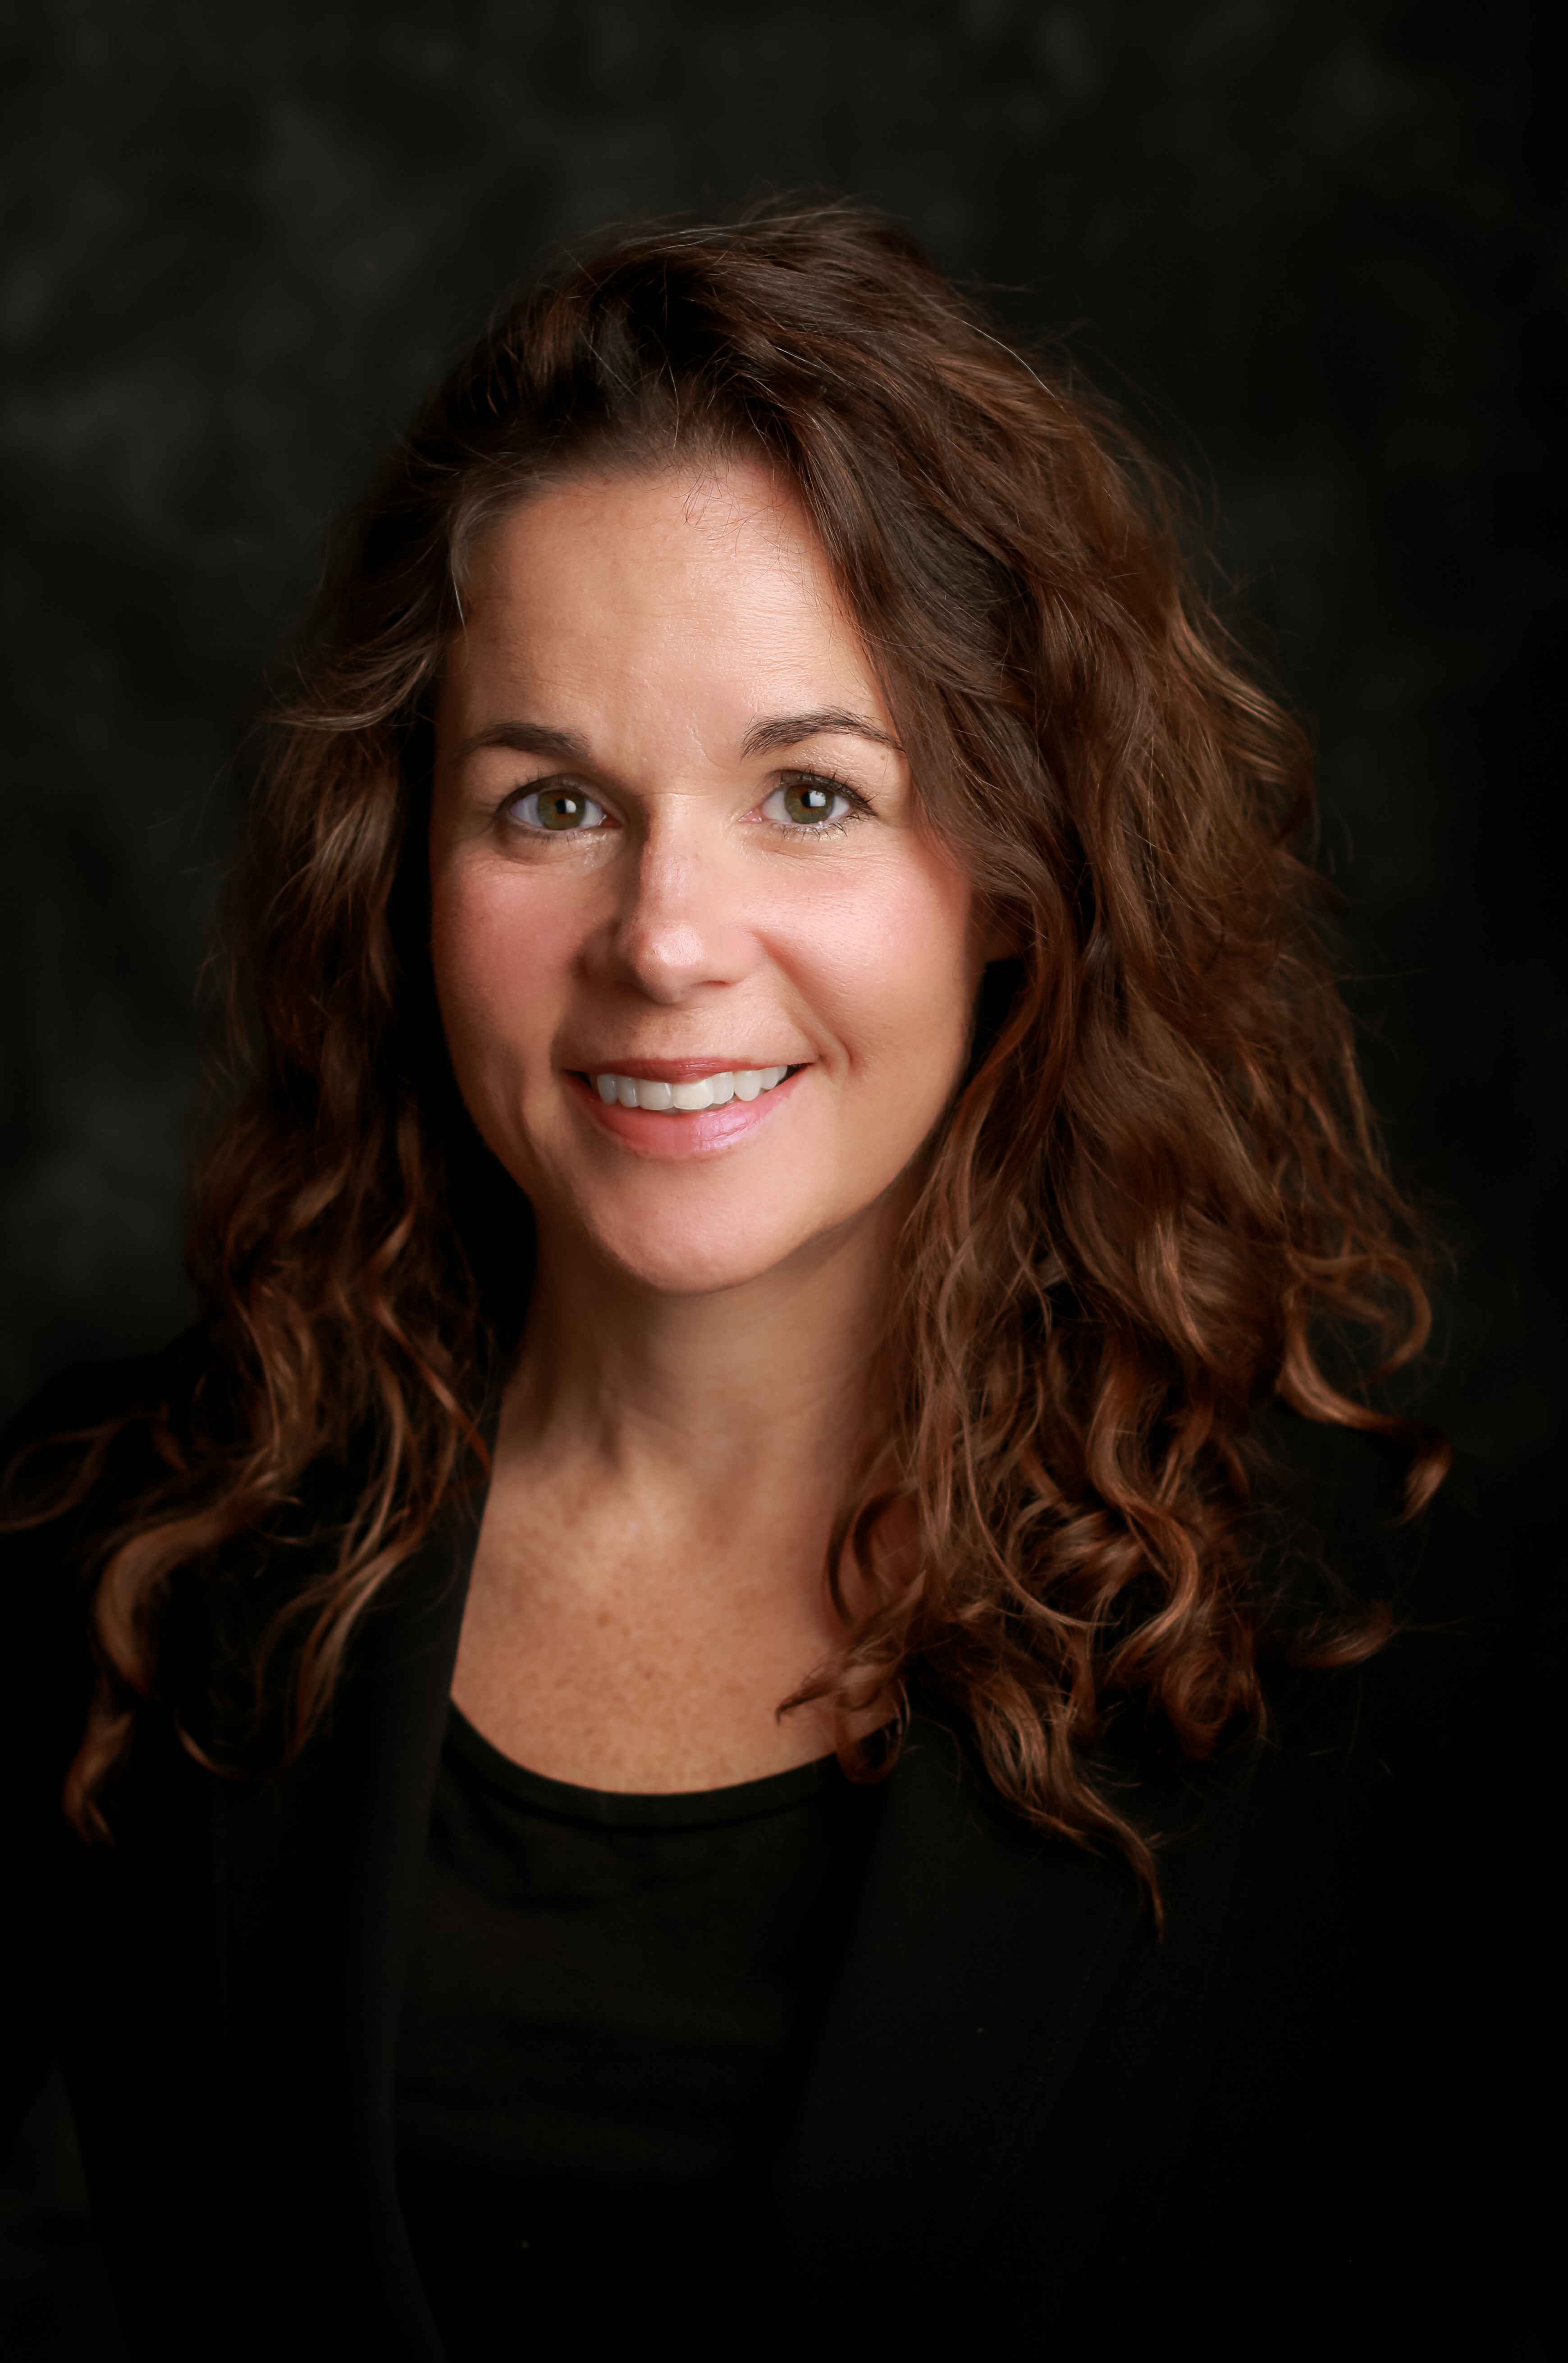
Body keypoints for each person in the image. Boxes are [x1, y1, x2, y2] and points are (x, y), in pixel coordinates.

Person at [1, 203, 1559, 2363]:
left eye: (812, 795)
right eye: (551, 803)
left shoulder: (1421, 1663)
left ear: (1021, 877)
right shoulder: (120, 1550)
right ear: (406, 867)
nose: (664, 936)